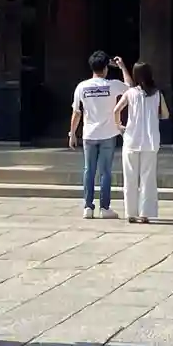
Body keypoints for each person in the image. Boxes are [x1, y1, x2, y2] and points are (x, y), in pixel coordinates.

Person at [69, 50, 128, 220]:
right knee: (105, 172)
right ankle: (104, 207)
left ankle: (88, 207)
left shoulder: (82, 86)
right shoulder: (113, 85)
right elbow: (130, 88)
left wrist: (72, 133)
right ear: (106, 68)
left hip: (89, 134)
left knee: (89, 170)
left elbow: (77, 112)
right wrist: (122, 67)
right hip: (108, 133)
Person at [114, 60, 169, 224]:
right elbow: (165, 115)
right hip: (151, 141)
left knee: (130, 177)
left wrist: (119, 126)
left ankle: (130, 213)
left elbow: (116, 110)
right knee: (148, 178)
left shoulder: (130, 93)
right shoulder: (157, 94)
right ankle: (145, 213)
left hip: (132, 139)